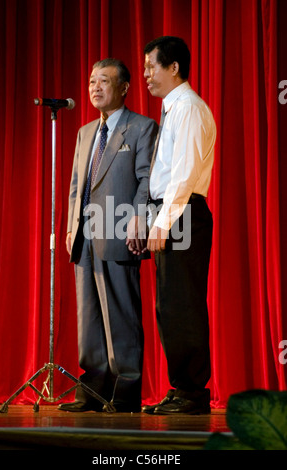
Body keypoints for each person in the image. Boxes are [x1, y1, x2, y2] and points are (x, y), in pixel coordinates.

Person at [58, 58, 158, 413]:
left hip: (118, 228)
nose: (95, 88)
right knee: (89, 317)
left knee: (121, 315)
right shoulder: (86, 132)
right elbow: (75, 188)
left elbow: (148, 179)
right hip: (84, 235)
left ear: (124, 88)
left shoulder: (142, 127)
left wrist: (138, 218)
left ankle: (126, 394)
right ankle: (92, 392)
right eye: (91, 82)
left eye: (103, 81)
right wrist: (70, 227)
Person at [142, 36, 216, 415]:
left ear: (174, 68)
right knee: (170, 305)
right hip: (174, 212)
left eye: (152, 66)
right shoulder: (174, 109)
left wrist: (163, 222)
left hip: (183, 212)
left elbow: (184, 174)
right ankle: (182, 387)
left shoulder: (187, 107)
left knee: (183, 304)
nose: (145, 75)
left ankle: (193, 393)